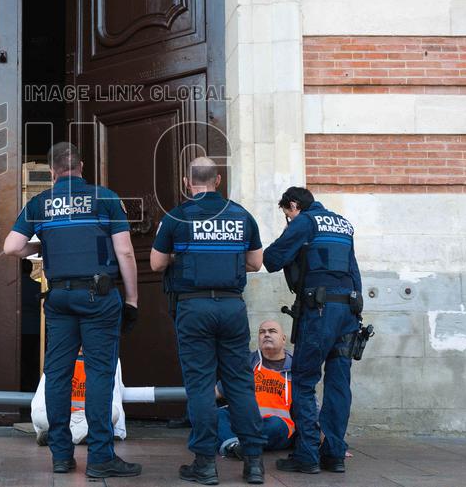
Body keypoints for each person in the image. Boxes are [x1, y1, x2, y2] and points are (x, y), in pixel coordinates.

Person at [4, 142, 141, 479]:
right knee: (98, 375)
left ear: (52, 171)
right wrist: (132, 300)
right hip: (98, 297)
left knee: (58, 374)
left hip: (59, 299)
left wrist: (44, 242)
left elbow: (12, 247)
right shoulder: (105, 197)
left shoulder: (40, 202)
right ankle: (100, 458)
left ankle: (62, 457)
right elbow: (124, 252)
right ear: (81, 167)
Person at [151, 157, 267, 485]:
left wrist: (185, 256)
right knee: (239, 384)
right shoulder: (241, 214)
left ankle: (204, 464)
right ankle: (254, 463)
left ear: (188, 183)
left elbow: (157, 263)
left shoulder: (176, 216)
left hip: (193, 307)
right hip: (232, 308)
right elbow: (256, 263)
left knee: (201, 385)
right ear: (218, 181)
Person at [263, 186, 362, 475]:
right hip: (348, 312)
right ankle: (334, 454)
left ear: (294, 205)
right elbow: (353, 271)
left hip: (320, 312)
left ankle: (306, 455)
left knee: (304, 381)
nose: (289, 220)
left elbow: (271, 259)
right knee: (339, 383)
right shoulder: (343, 223)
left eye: (287, 214)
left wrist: (287, 237)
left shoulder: (306, 221)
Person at [217, 320, 294, 459]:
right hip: (244, 421)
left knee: (276, 425)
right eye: (262, 332)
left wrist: (327, 442)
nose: (266, 335)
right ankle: (234, 446)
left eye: (272, 331)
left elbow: (311, 406)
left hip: (275, 428)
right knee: (217, 415)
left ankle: (238, 444)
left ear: (283, 339)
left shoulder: (296, 368)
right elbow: (220, 390)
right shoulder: (247, 362)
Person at [30, 349, 127, 446]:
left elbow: (113, 399)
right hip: (63, 416)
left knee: (113, 412)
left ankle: (56, 437)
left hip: (89, 417)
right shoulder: (58, 359)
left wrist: (118, 431)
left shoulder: (104, 360)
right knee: (37, 415)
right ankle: (81, 435)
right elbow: (41, 400)